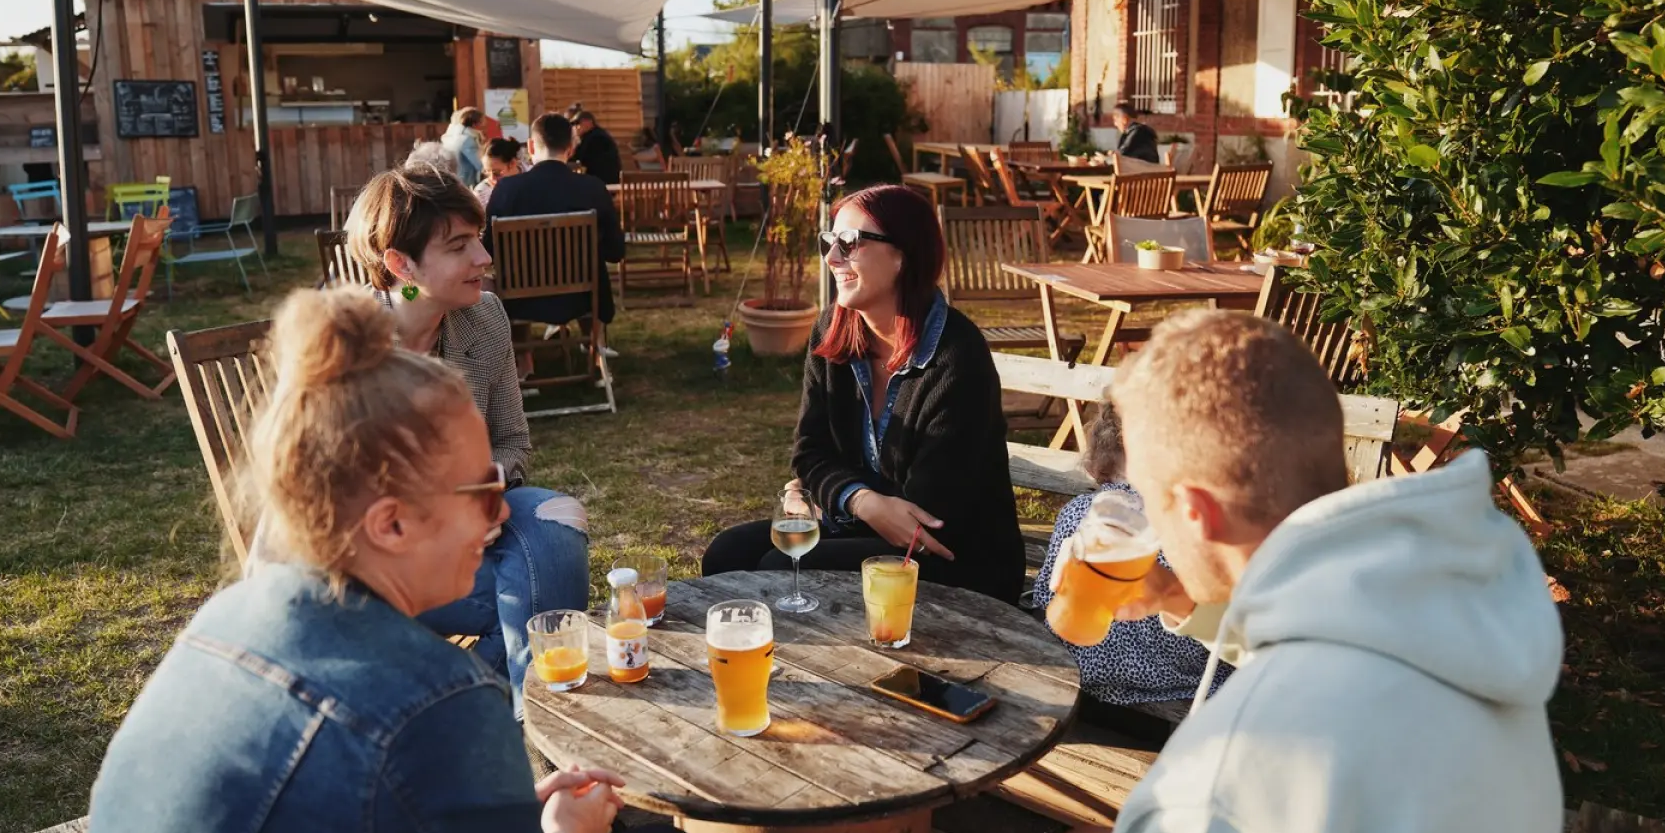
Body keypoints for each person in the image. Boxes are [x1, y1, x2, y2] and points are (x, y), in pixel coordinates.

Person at [86, 289, 719, 833]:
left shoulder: (221, 618)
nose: (502, 515)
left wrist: (486, 810)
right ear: (390, 523)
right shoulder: (443, 700)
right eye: (484, 493)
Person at [1043, 309, 1564, 833]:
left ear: (1194, 514)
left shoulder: (1243, 766)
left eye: (1145, 500)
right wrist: (1178, 598)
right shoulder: (1446, 597)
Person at [701, 185, 1026, 603]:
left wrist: (826, 500)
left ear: (903, 254)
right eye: (829, 242)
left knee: (779, 570)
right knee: (726, 555)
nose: (833, 258)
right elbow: (810, 452)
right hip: (865, 526)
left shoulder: (955, 357)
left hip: (957, 559)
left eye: (850, 243)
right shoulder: (833, 331)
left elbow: (924, 515)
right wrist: (859, 500)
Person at [348, 164, 592, 717]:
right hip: (378, 562)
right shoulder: (348, 347)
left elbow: (512, 440)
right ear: (400, 264)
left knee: (556, 524)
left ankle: (507, 722)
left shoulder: (484, 317)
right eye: (460, 246)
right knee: (539, 599)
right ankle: (529, 734)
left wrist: (489, 482)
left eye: (478, 239)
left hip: (474, 531)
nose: (484, 259)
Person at [1033, 401, 1229, 709]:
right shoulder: (1198, 531)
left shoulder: (1076, 515)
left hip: (1087, 681)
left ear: (1099, 460)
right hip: (1185, 689)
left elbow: (1045, 597)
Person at [486, 113, 625, 355]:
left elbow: (488, 252)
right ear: (570, 149)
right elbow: (615, 252)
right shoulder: (593, 188)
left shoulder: (506, 190)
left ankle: (523, 362)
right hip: (582, 295)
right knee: (594, 268)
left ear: (530, 146)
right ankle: (593, 350)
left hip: (520, 299)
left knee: (508, 274)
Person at [568, 109, 624, 186]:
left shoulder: (595, 138)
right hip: (605, 181)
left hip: (602, 183)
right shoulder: (596, 135)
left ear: (588, 122)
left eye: (578, 123)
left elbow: (579, 157)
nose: (576, 127)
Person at [473, 136, 524, 208]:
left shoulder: (533, 176)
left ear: (512, 163)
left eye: (497, 173)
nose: (492, 178)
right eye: (486, 172)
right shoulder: (481, 192)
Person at [442, 106, 485, 186]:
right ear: (474, 124)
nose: (483, 126)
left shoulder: (451, 135)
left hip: (451, 179)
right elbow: (480, 164)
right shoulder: (467, 140)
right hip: (465, 182)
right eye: (481, 122)